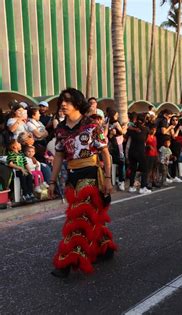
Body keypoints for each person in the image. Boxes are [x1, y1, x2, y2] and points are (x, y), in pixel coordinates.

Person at [49, 88, 117, 278]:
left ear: (78, 104)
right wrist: (52, 181)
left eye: (68, 101)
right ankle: (105, 248)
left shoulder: (91, 125)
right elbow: (59, 155)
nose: (63, 104)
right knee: (88, 216)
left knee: (78, 218)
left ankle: (67, 262)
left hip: (91, 174)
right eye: (62, 100)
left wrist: (109, 179)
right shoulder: (60, 129)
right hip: (72, 176)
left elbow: (105, 153)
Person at [127, 113, 150, 194]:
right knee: (145, 169)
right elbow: (146, 140)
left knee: (133, 169)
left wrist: (133, 129)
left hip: (131, 151)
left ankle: (131, 187)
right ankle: (143, 187)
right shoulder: (146, 129)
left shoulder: (131, 129)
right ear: (144, 121)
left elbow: (127, 134)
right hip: (140, 151)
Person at [107, 109, 125, 191]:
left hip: (109, 146)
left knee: (114, 163)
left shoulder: (106, 122)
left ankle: (117, 179)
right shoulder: (115, 123)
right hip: (116, 145)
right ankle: (121, 181)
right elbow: (121, 132)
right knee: (121, 162)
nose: (117, 116)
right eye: (116, 115)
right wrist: (124, 128)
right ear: (113, 115)